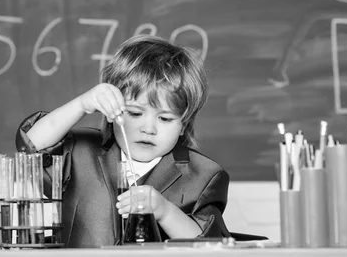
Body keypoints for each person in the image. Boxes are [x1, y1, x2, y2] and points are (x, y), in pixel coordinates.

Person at [16, 34, 230, 248]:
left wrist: (165, 212)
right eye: (135, 113)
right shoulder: (79, 152)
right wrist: (82, 104)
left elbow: (212, 246)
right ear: (114, 110)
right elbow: (30, 146)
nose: (148, 129)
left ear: (184, 123)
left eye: (165, 118)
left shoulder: (204, 175)